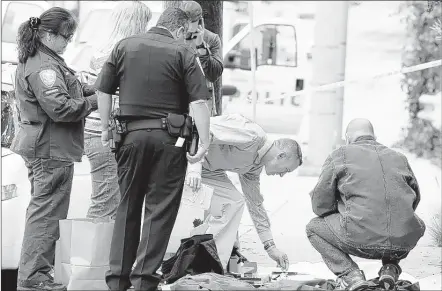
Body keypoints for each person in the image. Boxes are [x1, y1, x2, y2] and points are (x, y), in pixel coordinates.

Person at [94, 7, 211, 291]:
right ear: (181, 30)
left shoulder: (124, 46)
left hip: (129, 138)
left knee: (128, 206)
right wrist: (204, 141)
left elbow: (103, 90)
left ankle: (118, 281)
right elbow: (198, 103)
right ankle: (144, 280)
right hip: (169, 141)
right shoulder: (184, 54)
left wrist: (106, 128)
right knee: (159, 209)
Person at [11, 7, 98, 291]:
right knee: (47, 213)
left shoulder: (45, 59)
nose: (67, 42)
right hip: (50, 148)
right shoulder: (45, 67)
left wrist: (97, 88)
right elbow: (60, 108)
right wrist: (98, 101)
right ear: (48, 34)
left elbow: (70, 89)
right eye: (65, 36)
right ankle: (34, 276)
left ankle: (34, 274)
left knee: (45, 211)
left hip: (47, 146)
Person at [306, 118, 425, 291]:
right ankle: (390, 269)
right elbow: (415, 199)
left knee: (313, 228)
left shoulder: (340, 155)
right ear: (374, 136)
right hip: (402, 242)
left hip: (358, 239)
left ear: (347, 138)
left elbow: (320, 205)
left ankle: (352, 276)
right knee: (404, 223)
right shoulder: (399, 157)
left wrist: (340, 209)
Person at [186, 113, 303, 270]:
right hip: (189, 154)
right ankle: (204, 257)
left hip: (209, 170)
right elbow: (202, 130)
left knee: (235, 201)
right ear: (281, 155)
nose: (282, 175)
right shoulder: (252, 136)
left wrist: (270, 247)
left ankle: (215, 259)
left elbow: (255, 204)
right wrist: (194, 168)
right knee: (232, 202)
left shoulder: (254, 168)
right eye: (286, 170)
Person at [83, 1, 153, 220]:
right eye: (146, 22)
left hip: (100, 134)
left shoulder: (101, 51)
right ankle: (91, 253)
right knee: (105, 203)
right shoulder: (119, 54)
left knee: (109, 200)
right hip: (107, 135)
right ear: (137, 24)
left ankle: (101, 253)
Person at [180, 1, 223, 115]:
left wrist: (201, 47)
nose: (187, 25)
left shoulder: (211, 39)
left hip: (201, 99)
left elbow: (214, 74)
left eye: (191, 21)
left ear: (200, 20)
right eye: (184, 21)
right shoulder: (175, 35)